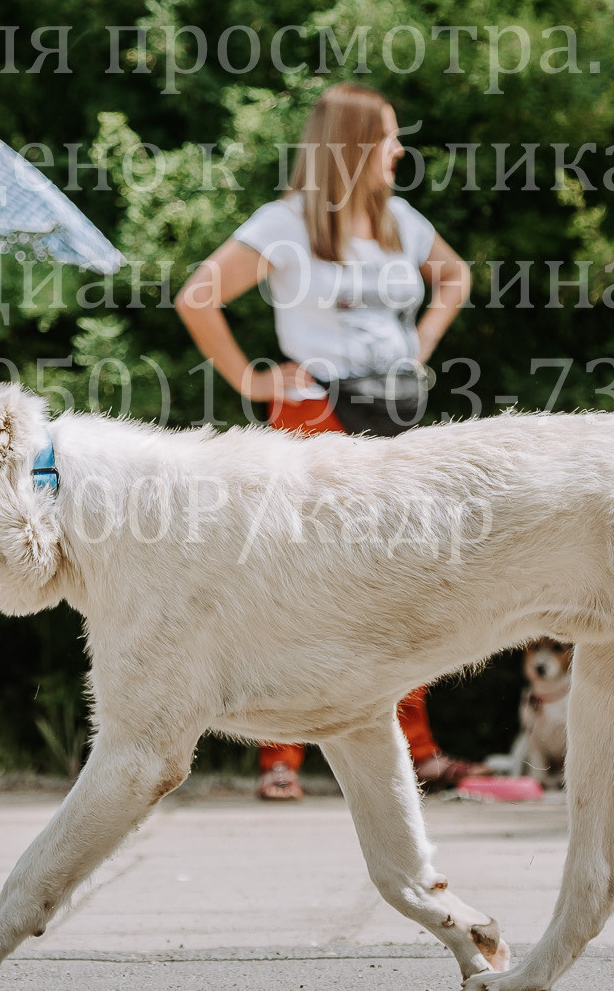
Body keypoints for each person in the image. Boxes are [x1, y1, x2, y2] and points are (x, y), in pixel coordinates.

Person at [174, 82, 478, 801]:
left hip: (396, 416)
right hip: (314, 418)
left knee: (398, 584)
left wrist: (421, 346)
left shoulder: (401, 220)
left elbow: (456, 277)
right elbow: (198, 296)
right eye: (389, 138)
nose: (401, 150)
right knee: (298, 586)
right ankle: (279, 758)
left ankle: (417, 748)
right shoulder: (282, 225)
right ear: (351, 147)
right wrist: (252, 380)